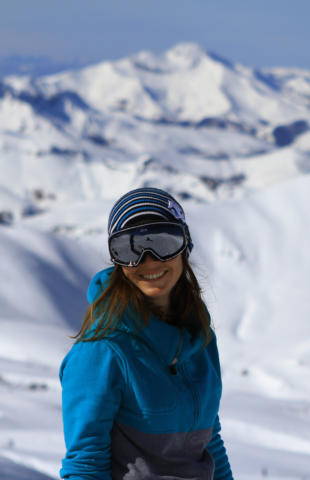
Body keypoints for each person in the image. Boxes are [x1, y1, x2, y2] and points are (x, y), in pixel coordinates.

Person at [59, 187, 234, 480]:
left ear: (185, 246)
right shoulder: (102, 351)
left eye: (164, 242)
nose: (148, 260)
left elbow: (208, 439)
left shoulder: (198, 336)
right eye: (129, 248)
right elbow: (85, 465)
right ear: (116, 260)